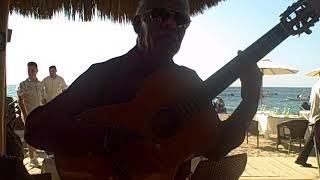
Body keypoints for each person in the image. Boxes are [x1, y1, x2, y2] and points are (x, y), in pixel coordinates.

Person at [24, 0, 262, 178]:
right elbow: (36, 128)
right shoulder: (104, 75)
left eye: (181, 20)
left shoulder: (188, 82)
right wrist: (110, 140)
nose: (171, 24)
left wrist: (251, 98)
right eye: (160, 15)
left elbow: (217, 146)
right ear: (138, 24)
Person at [16, 61, 45, 168]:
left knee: (38, 134)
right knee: (30, 135)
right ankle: (33, 158)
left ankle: (34, 154)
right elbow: (20, 100)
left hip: (39, 113)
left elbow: (42, 99)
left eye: (32, 70)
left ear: (37, 70)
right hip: (29, 114)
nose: (30, 72)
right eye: (29, 70)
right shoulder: (23, 84)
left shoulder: (40, 84)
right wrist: (24, 114)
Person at [295, 79, 320, 167]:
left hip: (315, 116)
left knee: (311, 141)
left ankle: (301, 159)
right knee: (315, 141)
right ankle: (301, 159)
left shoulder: (315, 85)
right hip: (318, 117)